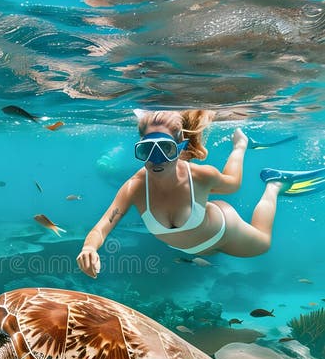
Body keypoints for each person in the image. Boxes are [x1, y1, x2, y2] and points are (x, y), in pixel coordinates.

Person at [77, 109, 325, 278]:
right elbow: (101, 227)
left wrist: (238, 148)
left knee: (263, 243)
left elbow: (233, 184)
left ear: (180, 147)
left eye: (165, 149)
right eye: (146, 151)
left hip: (224, 231)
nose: (156, 159)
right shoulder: (134, 187)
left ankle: (274, 185)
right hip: (197, 250)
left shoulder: (199, 176)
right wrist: (89, 248)